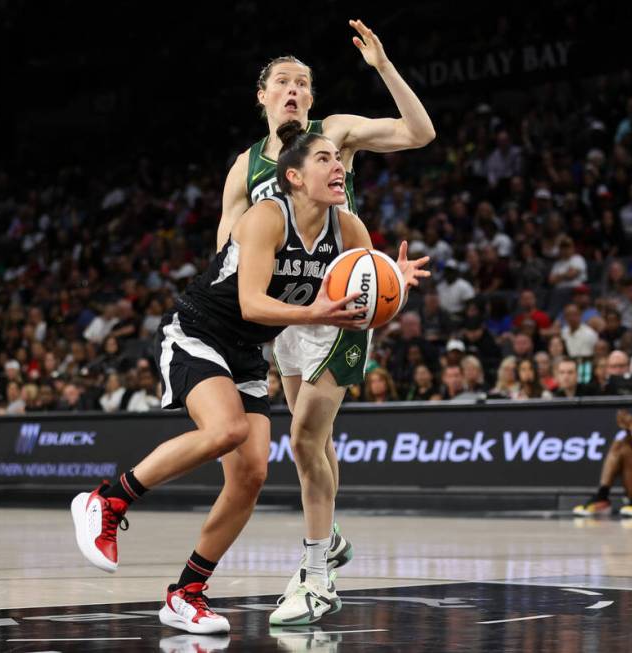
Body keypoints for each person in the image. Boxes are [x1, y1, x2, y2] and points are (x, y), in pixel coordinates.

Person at [70, 123, 427, 634]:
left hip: (244, 352)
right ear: (295, 177)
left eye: (339, 160)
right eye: (325, 159)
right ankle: (108, 499)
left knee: (250, 475)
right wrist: (317, 312)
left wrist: (392, 284)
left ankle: (186, 593)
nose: (339, 167)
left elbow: (364, 294)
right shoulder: (266, 217)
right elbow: (251, 303)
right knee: (228, 431)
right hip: (196, 331)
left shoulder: (348, 231)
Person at [216, 19, 434, 618]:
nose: (293, 88)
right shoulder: (245, 167)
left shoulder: (332, 133)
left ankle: (317, 577)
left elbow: (420, 132)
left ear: (310, 98)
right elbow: (226, 259)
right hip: (286, 314)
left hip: (341, 307)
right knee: (316, 445)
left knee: (304, 437)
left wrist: (384, 67)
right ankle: (330, 535)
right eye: (282, 81)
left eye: (303, 82)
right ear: (261, 96)